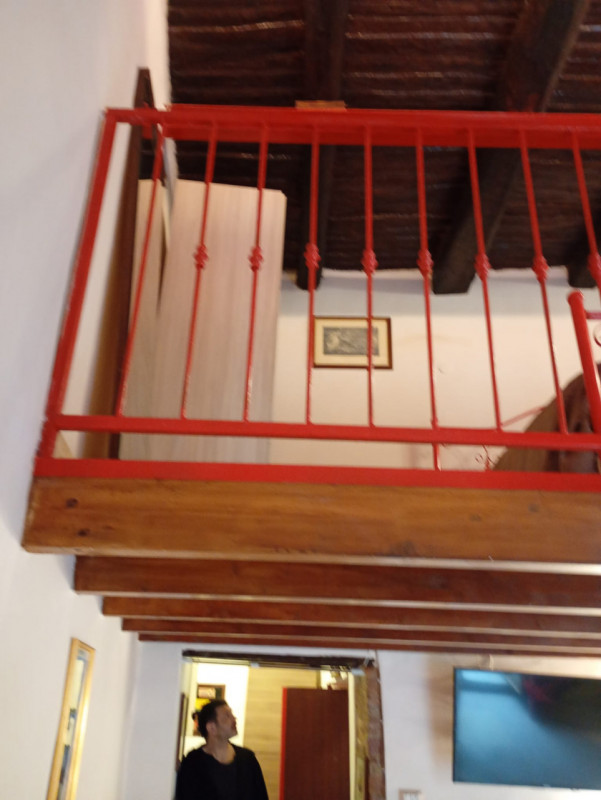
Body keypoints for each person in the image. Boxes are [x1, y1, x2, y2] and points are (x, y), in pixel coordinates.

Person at [175, 699, 269, 800]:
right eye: (227, 716)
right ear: (212, 728)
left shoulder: (247, 759)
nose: (234, 718)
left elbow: (261, 795)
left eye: (232, 714)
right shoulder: (193, 763)